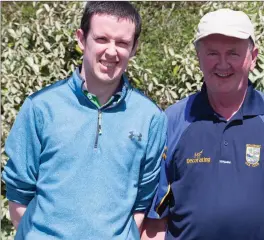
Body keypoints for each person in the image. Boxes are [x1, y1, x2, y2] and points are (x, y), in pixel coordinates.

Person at [141, 8, 264, 240]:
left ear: (253, 57)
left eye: (233, 53)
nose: (222, 64)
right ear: (198, 57)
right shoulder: (171, 121)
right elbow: (156, 222)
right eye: (212, 53)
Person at [2, 2, 167, 239]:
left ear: (134, 48)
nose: (112, 51)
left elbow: (142, 201)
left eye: (122, 43)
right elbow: (19, 193)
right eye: (102, 39)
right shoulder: (40, 107)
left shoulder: (150, 117)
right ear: (81, 39)